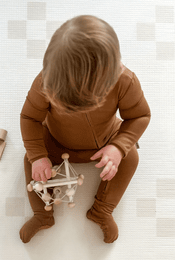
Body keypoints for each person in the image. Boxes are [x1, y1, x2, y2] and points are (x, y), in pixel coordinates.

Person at [20, 15, 151, 244]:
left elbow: (140, 115)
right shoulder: (45, 82)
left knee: (131, 158)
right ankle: (43, 213)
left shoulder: (125, 81)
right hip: (56, 140)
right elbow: (30, 117)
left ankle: (102, 210)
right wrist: (38, 157)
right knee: (29, 160)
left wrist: (118, 148)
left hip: (106, 140)